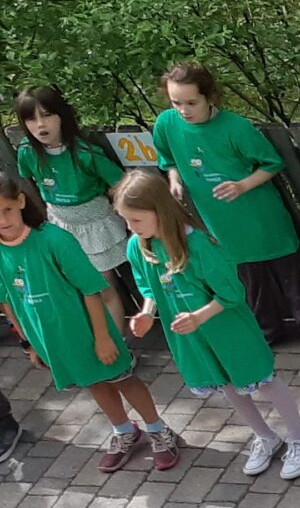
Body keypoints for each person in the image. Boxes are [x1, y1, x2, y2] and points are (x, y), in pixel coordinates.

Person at [112, 171, 300, 479]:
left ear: (160, 210)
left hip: (226, 330)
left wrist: (199, 317)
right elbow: (148, 286)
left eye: (136, 220)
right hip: (192, 337)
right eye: (126, 220)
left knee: (264, 380)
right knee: (228, 385)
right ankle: (265, 436)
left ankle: (299, 438)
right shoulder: (138, 246)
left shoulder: (200, 245)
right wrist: (146, 311)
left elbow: (232, 293)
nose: (131, 228)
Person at [153, 62, 300, 365]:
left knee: (292, 276)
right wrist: (174, 179)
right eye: (176, 103)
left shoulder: (236, 127)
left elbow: (271, 163)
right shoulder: (166, 124)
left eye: (191, 102)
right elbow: (167, 158)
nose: (184, 110)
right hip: (220, 225)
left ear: (210, 97)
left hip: (261, 219)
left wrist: (242, 185)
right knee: (248, 280)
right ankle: (267, 330)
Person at [0, 168, 182, 472]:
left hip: (89, 332)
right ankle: (124, 431)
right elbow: (8, 302)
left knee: (122, 378)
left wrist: (102, 337)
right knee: (94, 383)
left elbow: (91, 291)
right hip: (54, 341)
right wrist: (29, 342)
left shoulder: (54, 240)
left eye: (6, 209)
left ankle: (158, 429)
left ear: (20, 201)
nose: (3, 219)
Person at [14, 86, 130, 328]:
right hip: (60, 225)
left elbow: (122, 185)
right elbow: (29, 184)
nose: (40, 125)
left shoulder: (86, 153)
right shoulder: (27, 152)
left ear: (62, 115)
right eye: (31, 119)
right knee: (74, 287)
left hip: (94, 225)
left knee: (102, 286)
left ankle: (120, 348)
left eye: (47, 115)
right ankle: (95, 340)